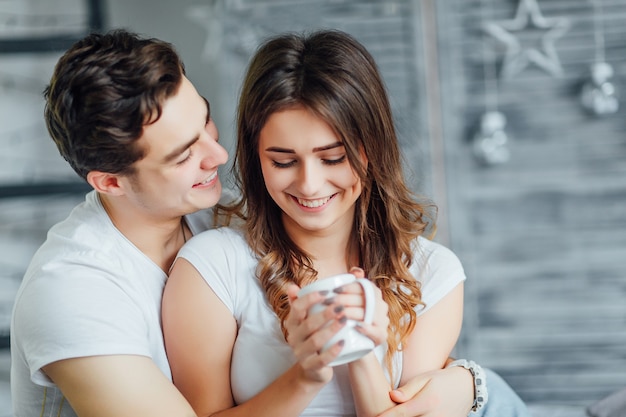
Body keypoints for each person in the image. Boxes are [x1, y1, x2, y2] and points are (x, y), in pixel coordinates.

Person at [162, 29, 531, 417]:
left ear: (370, 149)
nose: (309, 184)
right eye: (283, 161)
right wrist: (306, 375)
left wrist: (358, 349)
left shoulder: (431, 271)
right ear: (256, 159)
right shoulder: (211, 265)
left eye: (333, 158)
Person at [10, 29, 229, 417]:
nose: (219, 155)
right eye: (182, 157)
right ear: (111, 182)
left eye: (206, 120)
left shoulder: (225, 216)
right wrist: (304, 377)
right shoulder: (71, 291)